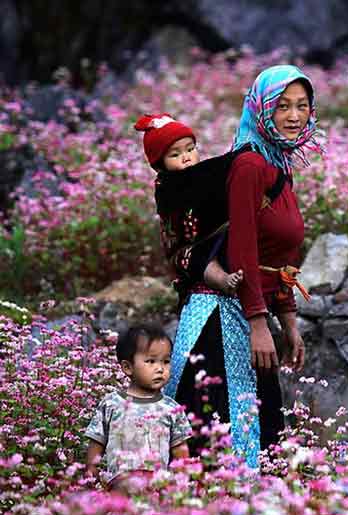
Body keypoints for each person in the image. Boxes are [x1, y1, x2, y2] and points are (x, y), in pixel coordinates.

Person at [164, 64, 321, 468]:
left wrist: (287, 321)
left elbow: (279, 254)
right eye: (281, 105)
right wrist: (257, 323)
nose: (293, 115)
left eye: (302, 106)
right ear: (261, 108)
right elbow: (244, 246)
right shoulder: (249, 166)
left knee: (259, 430)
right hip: (220, 316)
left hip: (249, 308)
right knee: (223, 438)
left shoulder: (278, 166)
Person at [134, 113, 244, 298]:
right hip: (188, 246)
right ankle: (224, 281)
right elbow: (216, 168)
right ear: (160, 164)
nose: (186, 157)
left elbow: (214, 171)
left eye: (190, 149)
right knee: (200, 261)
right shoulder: (168, 185)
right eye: (175, 154)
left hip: (217, 234)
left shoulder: (200, 174)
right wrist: (237, 156)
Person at [85, 324, 192, 492]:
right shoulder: (111, 404)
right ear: (128, 367)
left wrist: (181, 481)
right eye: (151, 361)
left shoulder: (172, 408)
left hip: (157, 487)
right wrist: (92, 470)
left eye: (166, 361)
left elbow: (180, 449)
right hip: (120, 485)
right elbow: (97, 440)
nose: (160, 368)